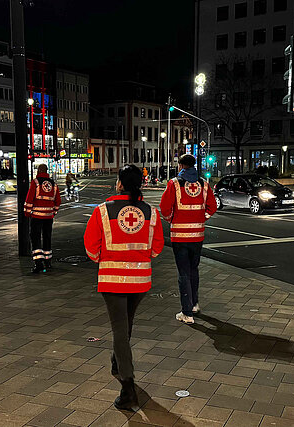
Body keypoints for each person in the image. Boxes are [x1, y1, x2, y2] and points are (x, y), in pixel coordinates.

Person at [84, 165, 164, 411]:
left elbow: (91, 246)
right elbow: (157, 246)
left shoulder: (102, 211)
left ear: (119, 183)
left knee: (119, 330)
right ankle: (118, 363)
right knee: (126, 324)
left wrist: (104, 259)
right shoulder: (151, 212)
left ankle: (128, 387)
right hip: (140, 280)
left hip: (112, 280)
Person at [160, 154, 217, 324]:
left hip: (179, 236)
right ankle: (194, 304)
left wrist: (172, 219)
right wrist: (202, 218)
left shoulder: (174, 183)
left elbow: (164, 208)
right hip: (198, 235)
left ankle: (187, 313)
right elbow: (212, 207)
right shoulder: (204, 184)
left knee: (183, 272)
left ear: (181, 165)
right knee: (194, 270)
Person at [24, 164, 61, 273]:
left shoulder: (35, 182)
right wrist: (53, 212)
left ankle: (38, 262)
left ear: (39, 171)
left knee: (35, 238)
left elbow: (29, 198)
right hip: (49, 216)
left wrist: (27, 212)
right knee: (47, 237)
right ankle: (48, 261)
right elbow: (58, 200)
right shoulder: (53, 184)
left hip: (36, 216)